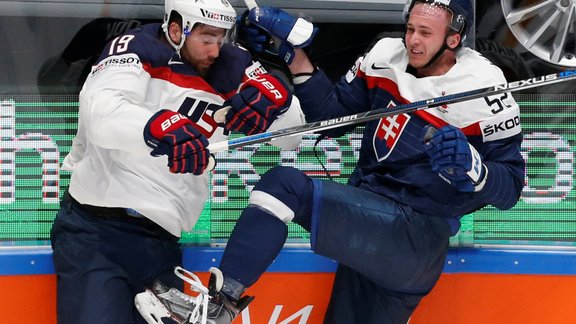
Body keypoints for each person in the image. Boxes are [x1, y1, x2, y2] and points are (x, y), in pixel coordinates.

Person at [140, 0, 526, 323]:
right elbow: (332, 116)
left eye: (426, 33)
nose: (413, 40)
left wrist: (475, 169)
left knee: (284, 185)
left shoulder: (483, 88)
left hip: (417, 237)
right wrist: (293, 55)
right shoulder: (384, 57)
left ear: (454, 39)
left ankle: (217, 308)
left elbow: (509, 187)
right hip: (376, 231)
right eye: (410, 28)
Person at [48, 0, 306, 322]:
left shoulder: (233, 62)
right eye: (206, 38)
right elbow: (102, 113)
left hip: (161, 241)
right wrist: (158, 125)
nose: (215, 49)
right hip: (97, 231)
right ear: (175, 29)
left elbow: (292, 136)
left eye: (221, 38)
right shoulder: (137, 47)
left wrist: (278, 101)